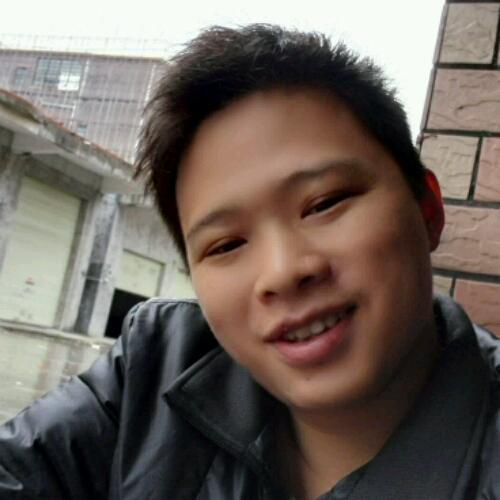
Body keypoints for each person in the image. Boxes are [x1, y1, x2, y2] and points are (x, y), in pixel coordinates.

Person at [0, 24, 498, 500]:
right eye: (225, 245)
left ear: (427, 209)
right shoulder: (158, 368)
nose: (282, 271)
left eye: (325, 203)